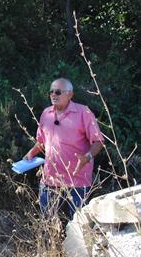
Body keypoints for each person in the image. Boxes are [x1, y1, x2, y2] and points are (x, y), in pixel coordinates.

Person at [24, 78, 103, 222]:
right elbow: (42, 141)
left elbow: (98, 141)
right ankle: (53, 246)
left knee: (78, 227)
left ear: (70, 95)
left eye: (58, 92)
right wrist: (31, 153)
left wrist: (87, 157)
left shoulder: (83, 112)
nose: (54, 95)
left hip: (77, 181)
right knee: (48, 225)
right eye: (51, 92)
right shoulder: (46, 113)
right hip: (50, 180)